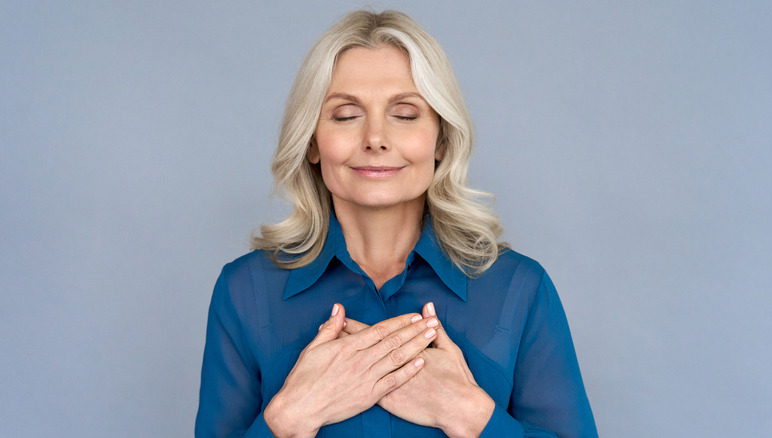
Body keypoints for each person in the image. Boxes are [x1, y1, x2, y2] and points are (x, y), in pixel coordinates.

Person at [195, 9, 598, 438]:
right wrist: (289, 418)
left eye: (405, 114)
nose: (375, 138)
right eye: (346, 115)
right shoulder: (244, 292)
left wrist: (470, 415)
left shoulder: (521, 288)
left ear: (441, 138)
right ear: (312, 142)